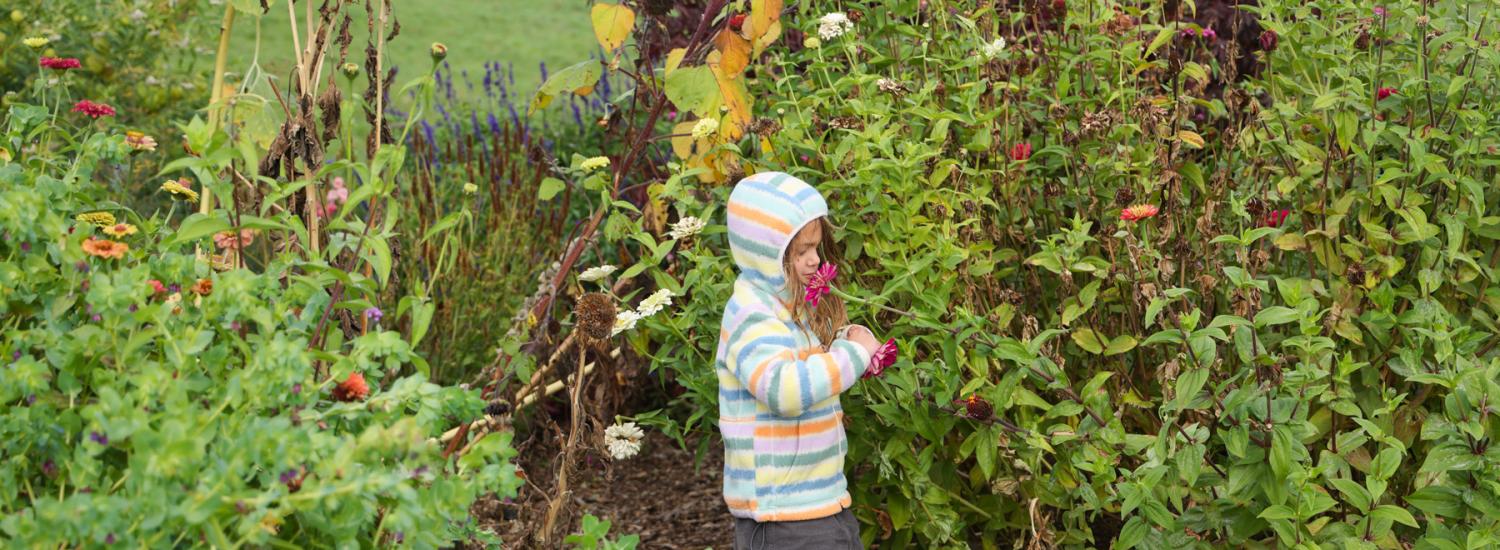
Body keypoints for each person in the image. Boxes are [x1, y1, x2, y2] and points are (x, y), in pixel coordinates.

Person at [716, 171, 883, 549]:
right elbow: (785, 390)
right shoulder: (751, 314)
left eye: (816, 249)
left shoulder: (788, 307)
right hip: (781, 516)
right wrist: (853, 355)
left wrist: (840, 341)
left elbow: (804, 365)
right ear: (765, 251)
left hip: (820, 500)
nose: (813, 261)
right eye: (800, 251)